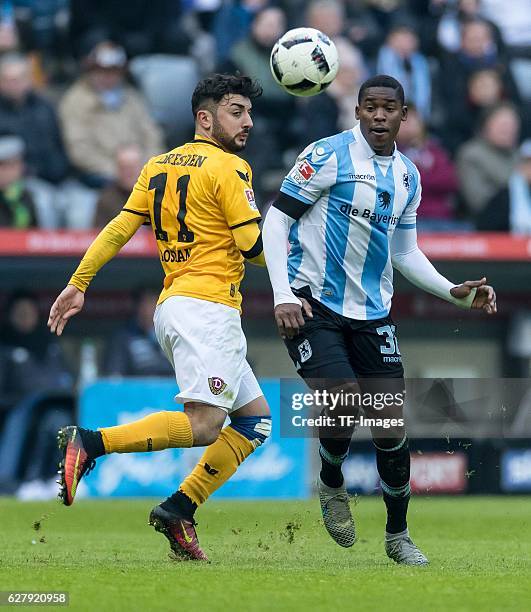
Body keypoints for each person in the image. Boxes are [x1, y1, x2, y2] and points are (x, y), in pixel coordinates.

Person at [262, 75, 497, 566]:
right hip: (313, 305)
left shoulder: (408, 175)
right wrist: (282, 294)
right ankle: (331, 481)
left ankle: (398, 535)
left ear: (404, 116)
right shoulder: (326, 155)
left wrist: (452, 293)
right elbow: (277, 218)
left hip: (372, 313)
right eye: (370, 106)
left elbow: (405, 252)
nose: (379, 115)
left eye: (389, 108)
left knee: (389, 426)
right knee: (344, 399)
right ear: (357, 111)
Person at [48, 74, 271, 562]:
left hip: (176, 306)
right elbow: (254, 249)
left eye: (250, 112)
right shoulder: (231, 169)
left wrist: (79, 282)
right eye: (237, 111)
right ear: (205, 118)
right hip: (208, 309)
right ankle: (90, 442)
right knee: (208, 424)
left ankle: (178, 508)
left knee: (255, 422)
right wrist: (306, 258)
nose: (248, 121)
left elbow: (119, 228)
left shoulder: (157, 165)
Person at [59, 41, 163, 189]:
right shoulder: (75, 102)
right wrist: (121, 172)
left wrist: (147, 165)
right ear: (91, 70)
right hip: (101, 177)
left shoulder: (131, 96)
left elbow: (152, 135)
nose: (108, 77)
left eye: (114, 71)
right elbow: (79, 150)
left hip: (142, 171)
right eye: (102, 71)